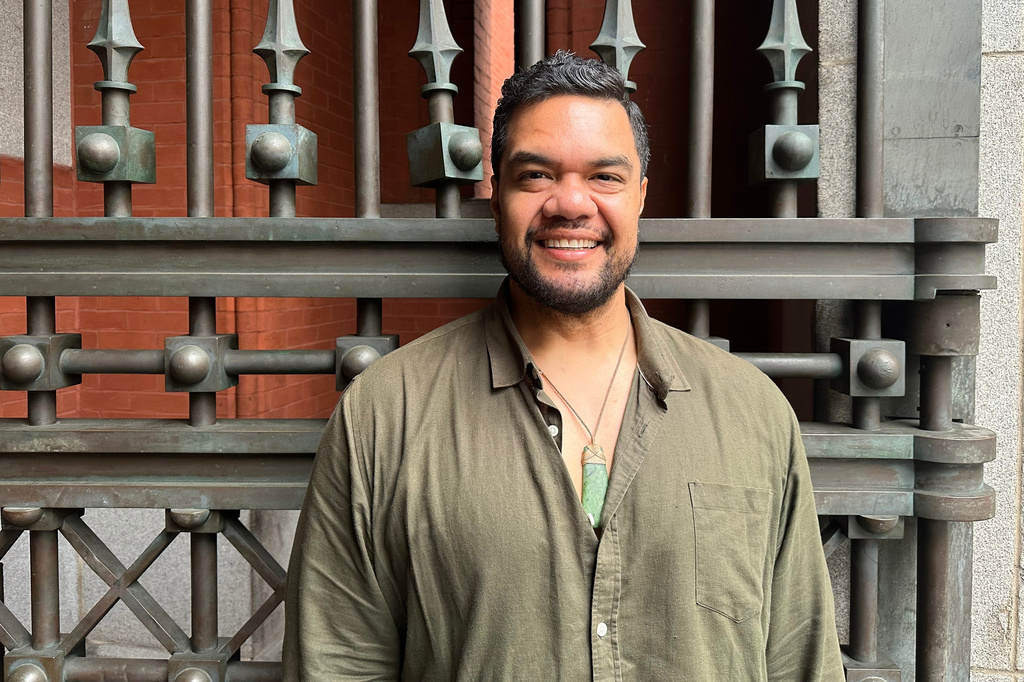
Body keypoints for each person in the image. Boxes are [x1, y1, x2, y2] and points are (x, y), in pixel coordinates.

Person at [283, 51, 844, 681]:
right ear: (496, 198)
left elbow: (801, 660)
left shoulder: (753, 412)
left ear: (640, 198)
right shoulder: (385, 414)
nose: (570, 204)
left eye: (605, 177)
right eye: (535, 176)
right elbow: (337, 664)